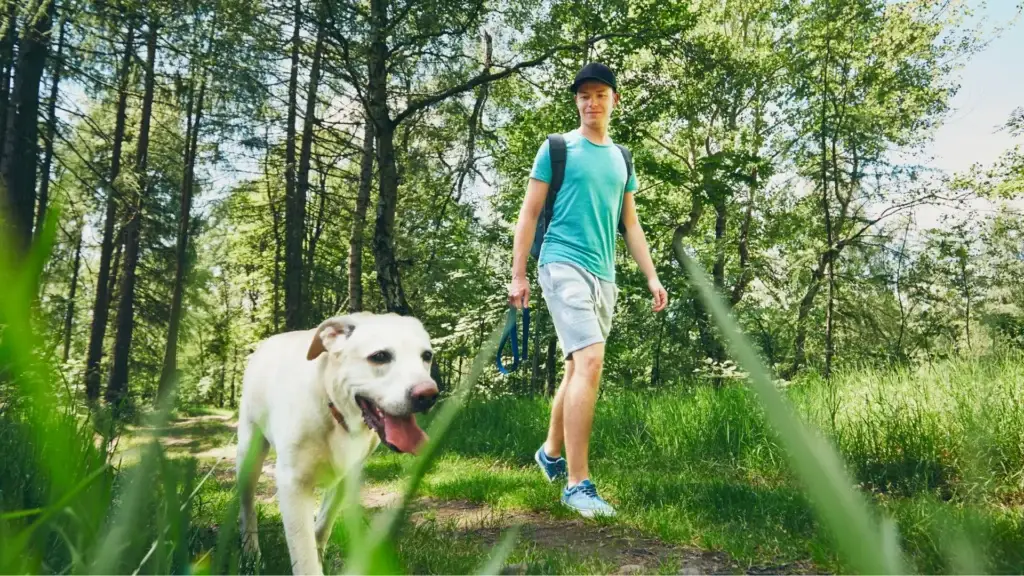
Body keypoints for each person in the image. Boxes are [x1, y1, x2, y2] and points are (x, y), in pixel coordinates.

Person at [507, 62, 668, 518]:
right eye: (584, 96)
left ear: (614, 100)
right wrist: (519, 275)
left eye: (600, 94)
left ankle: (550, 455)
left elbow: (630, 223)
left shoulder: (622, 159)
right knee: (592, 359)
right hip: (560, 263)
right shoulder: (557, 148)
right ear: (576, 102)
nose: (591, 102)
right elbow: (529, 214)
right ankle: (578, 484)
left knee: (578, 365)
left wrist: (652, 276)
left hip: (604, 274)